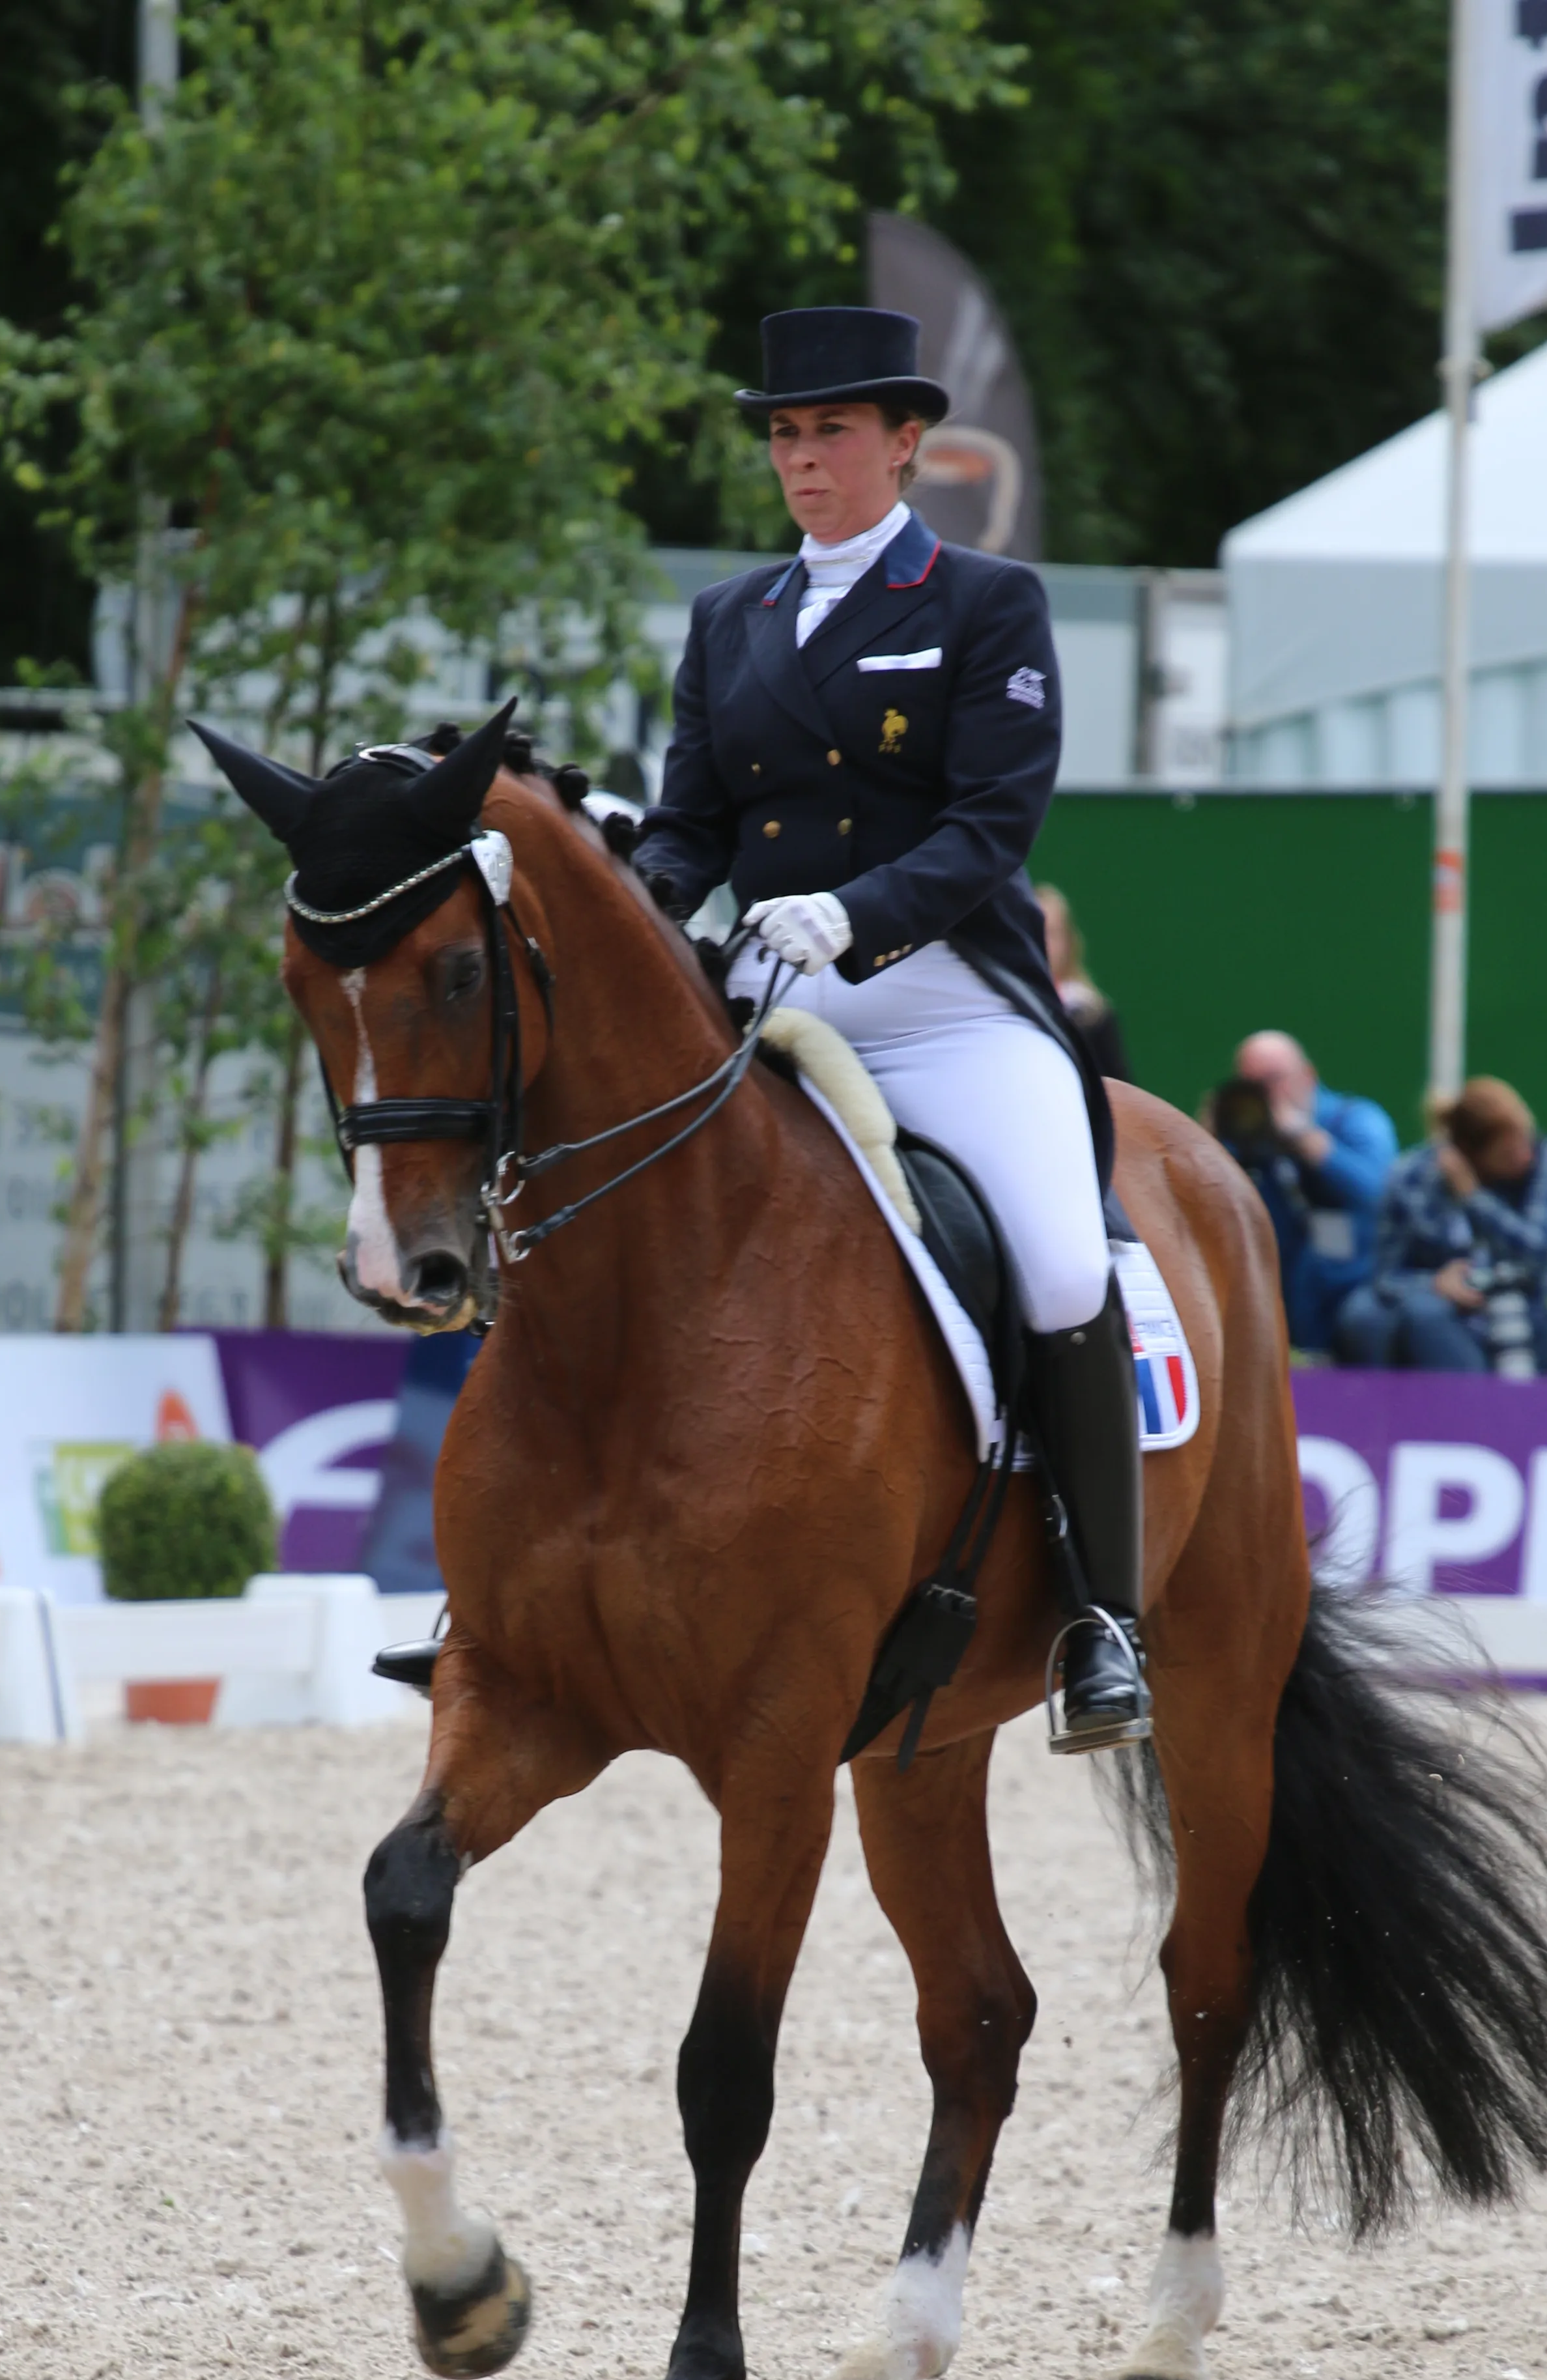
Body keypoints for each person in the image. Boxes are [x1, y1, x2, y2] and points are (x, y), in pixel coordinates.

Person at [632, 305, 1147, 1750]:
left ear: (907, 443)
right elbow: (692, 829)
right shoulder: (729, 617)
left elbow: (994, 822)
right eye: (787, 435)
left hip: (944, 1000)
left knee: (1056, 1259)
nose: (803, 460)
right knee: (597, 1191)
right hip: (776, 994)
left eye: (832, 432)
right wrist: (639, 887)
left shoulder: (983, 601)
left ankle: (1106, 1618)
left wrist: (855, 912)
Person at [1337, 1078, 1547, 1373]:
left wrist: (1473, 1197)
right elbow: (1386, 1275)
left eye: (1526, 1139)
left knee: (1425, 1316)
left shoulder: (1545, 1158)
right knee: (1368, 1315)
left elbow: (1539, 1255)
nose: (1525, 1155)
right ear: (1472, 1155)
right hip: (1436, 1304)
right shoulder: (1411, 1177)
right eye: (1508, 1153)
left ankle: (1475, 1412)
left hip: (1524, 1297)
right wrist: (1436, 1284)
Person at [1213, 1031, 1395, 1356]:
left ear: (1308, 1075)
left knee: (1365, 1319)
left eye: (1273, 1081)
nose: (1265, 1097)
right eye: (1251, 1087)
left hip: (1353, 1287)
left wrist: (1313, 1145)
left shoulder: (1355, 1120)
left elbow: (1379, 1195)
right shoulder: (1249, 1141)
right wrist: (1208, 1145)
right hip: (1281, 1291)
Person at [1039, 886, 1129, 1083]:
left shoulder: (1092, 1014)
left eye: (1052, 933)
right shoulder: (1003, 1008)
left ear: (1068, 941)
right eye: (1034, 931)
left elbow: (1118, 1087)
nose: (1043, 943)